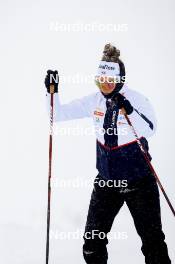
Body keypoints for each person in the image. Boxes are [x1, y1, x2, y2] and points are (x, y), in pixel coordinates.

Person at [44, 43, 171, 264]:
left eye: (110, 81)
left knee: (153, 243)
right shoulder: (93, 101)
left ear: (120, 80)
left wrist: (130, 110)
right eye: (100, 80)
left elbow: (151, 129)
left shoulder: (138, 99)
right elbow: (59, 114)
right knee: (92, 243)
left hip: (139, 181)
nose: (105, 85)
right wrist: (51, 93)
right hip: (107, 182)